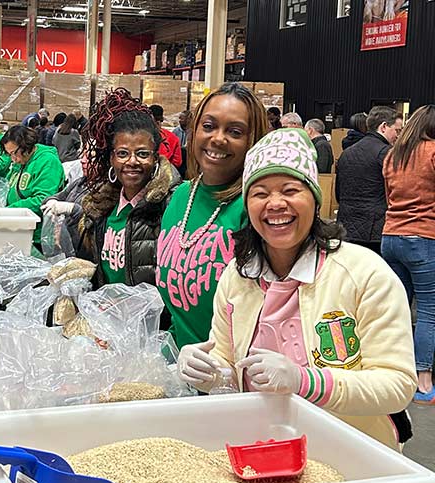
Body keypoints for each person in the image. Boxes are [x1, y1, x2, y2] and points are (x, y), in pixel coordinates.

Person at [177, 128, 416, 450]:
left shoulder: (363, 273)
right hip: (260, 447)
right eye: (260, 193)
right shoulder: (238, 277)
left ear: (315, 199)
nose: (275, 204)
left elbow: (396, 384)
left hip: (352, 448)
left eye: (290, 190)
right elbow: (226, 361)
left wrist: (305, 381)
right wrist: (208, 372)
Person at [156, 82, 268, 349]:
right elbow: (178, 314)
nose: (218, 138)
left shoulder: (254, 207)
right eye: (208, 126)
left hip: (236, 379)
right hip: (183, 370)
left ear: (253, 141)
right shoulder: (180, 197)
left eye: (235, 131)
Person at [74, 88, 181, 288]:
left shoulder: (172, 206)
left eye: (142, 154)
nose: (132, 162)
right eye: (122, 154)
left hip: (152, 318)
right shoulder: (99, 209)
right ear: (112, 158)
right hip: (107, 314)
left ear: (155, 157)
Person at [380, 104, 435, 404]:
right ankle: (423, 382)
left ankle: (392, 370)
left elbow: (389, 196)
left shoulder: (393, 155)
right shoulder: (432, 152)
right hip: (424, 237)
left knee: (397, 307)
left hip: (391, 235)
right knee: (428, 310)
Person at [336, 105, 403, 255]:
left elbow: (338, 193)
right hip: (375, 230)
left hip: (346, 227)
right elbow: (397, 191)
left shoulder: (346, 153)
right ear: (384, 127)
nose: (398, 136)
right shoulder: (387, 153)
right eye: (397, 130)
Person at [1, 125, 65, 250]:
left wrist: (9, 210)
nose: (13, 159)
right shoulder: (21, 162)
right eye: (9, 155)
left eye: (14, 153)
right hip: (20, 229)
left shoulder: (48, 161)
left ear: (26, 146)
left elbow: (43, 199)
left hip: (38, 235)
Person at [149, 104, 182, 169]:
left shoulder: (139, 136)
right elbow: (177, 162)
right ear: (161, 119)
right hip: (167, 174)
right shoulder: (173, 138)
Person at [172, 110, 191, 179]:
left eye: (181, 118)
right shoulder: (176, 131)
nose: (179, 120)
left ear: (188, 119)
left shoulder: (192, 131)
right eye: (179, 118)